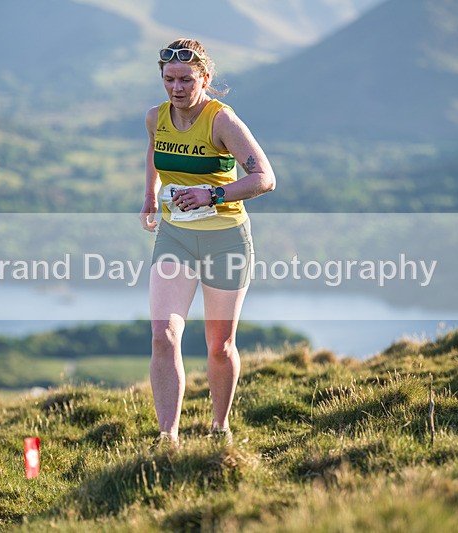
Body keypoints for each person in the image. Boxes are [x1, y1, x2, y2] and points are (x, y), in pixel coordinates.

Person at [139, 38, 276, 447]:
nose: (176, 88)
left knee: (219, 346)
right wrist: (149, 196)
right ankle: (168, 439)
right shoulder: (155, 117)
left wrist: (211, 194)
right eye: (169, 79)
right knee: (163, 336)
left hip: (226, 241)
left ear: (205, 78)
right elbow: (154, 149)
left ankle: (220, 428)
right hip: (175, 237)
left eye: (186, 79)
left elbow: (264, 178)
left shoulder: (221, 121)